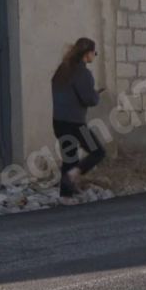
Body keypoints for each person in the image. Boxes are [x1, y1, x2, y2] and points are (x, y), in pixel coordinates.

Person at [51, 37, 106, 205]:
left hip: (59, 122)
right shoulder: (83, 73)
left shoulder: (62, 69)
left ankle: (65, 196)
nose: (94, 56)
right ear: (87, 54)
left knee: (69, 158)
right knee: (98, 152)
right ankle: (75, 173)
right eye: (94, 53)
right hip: (76, 124)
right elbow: (89, 99)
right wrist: (96, 95)